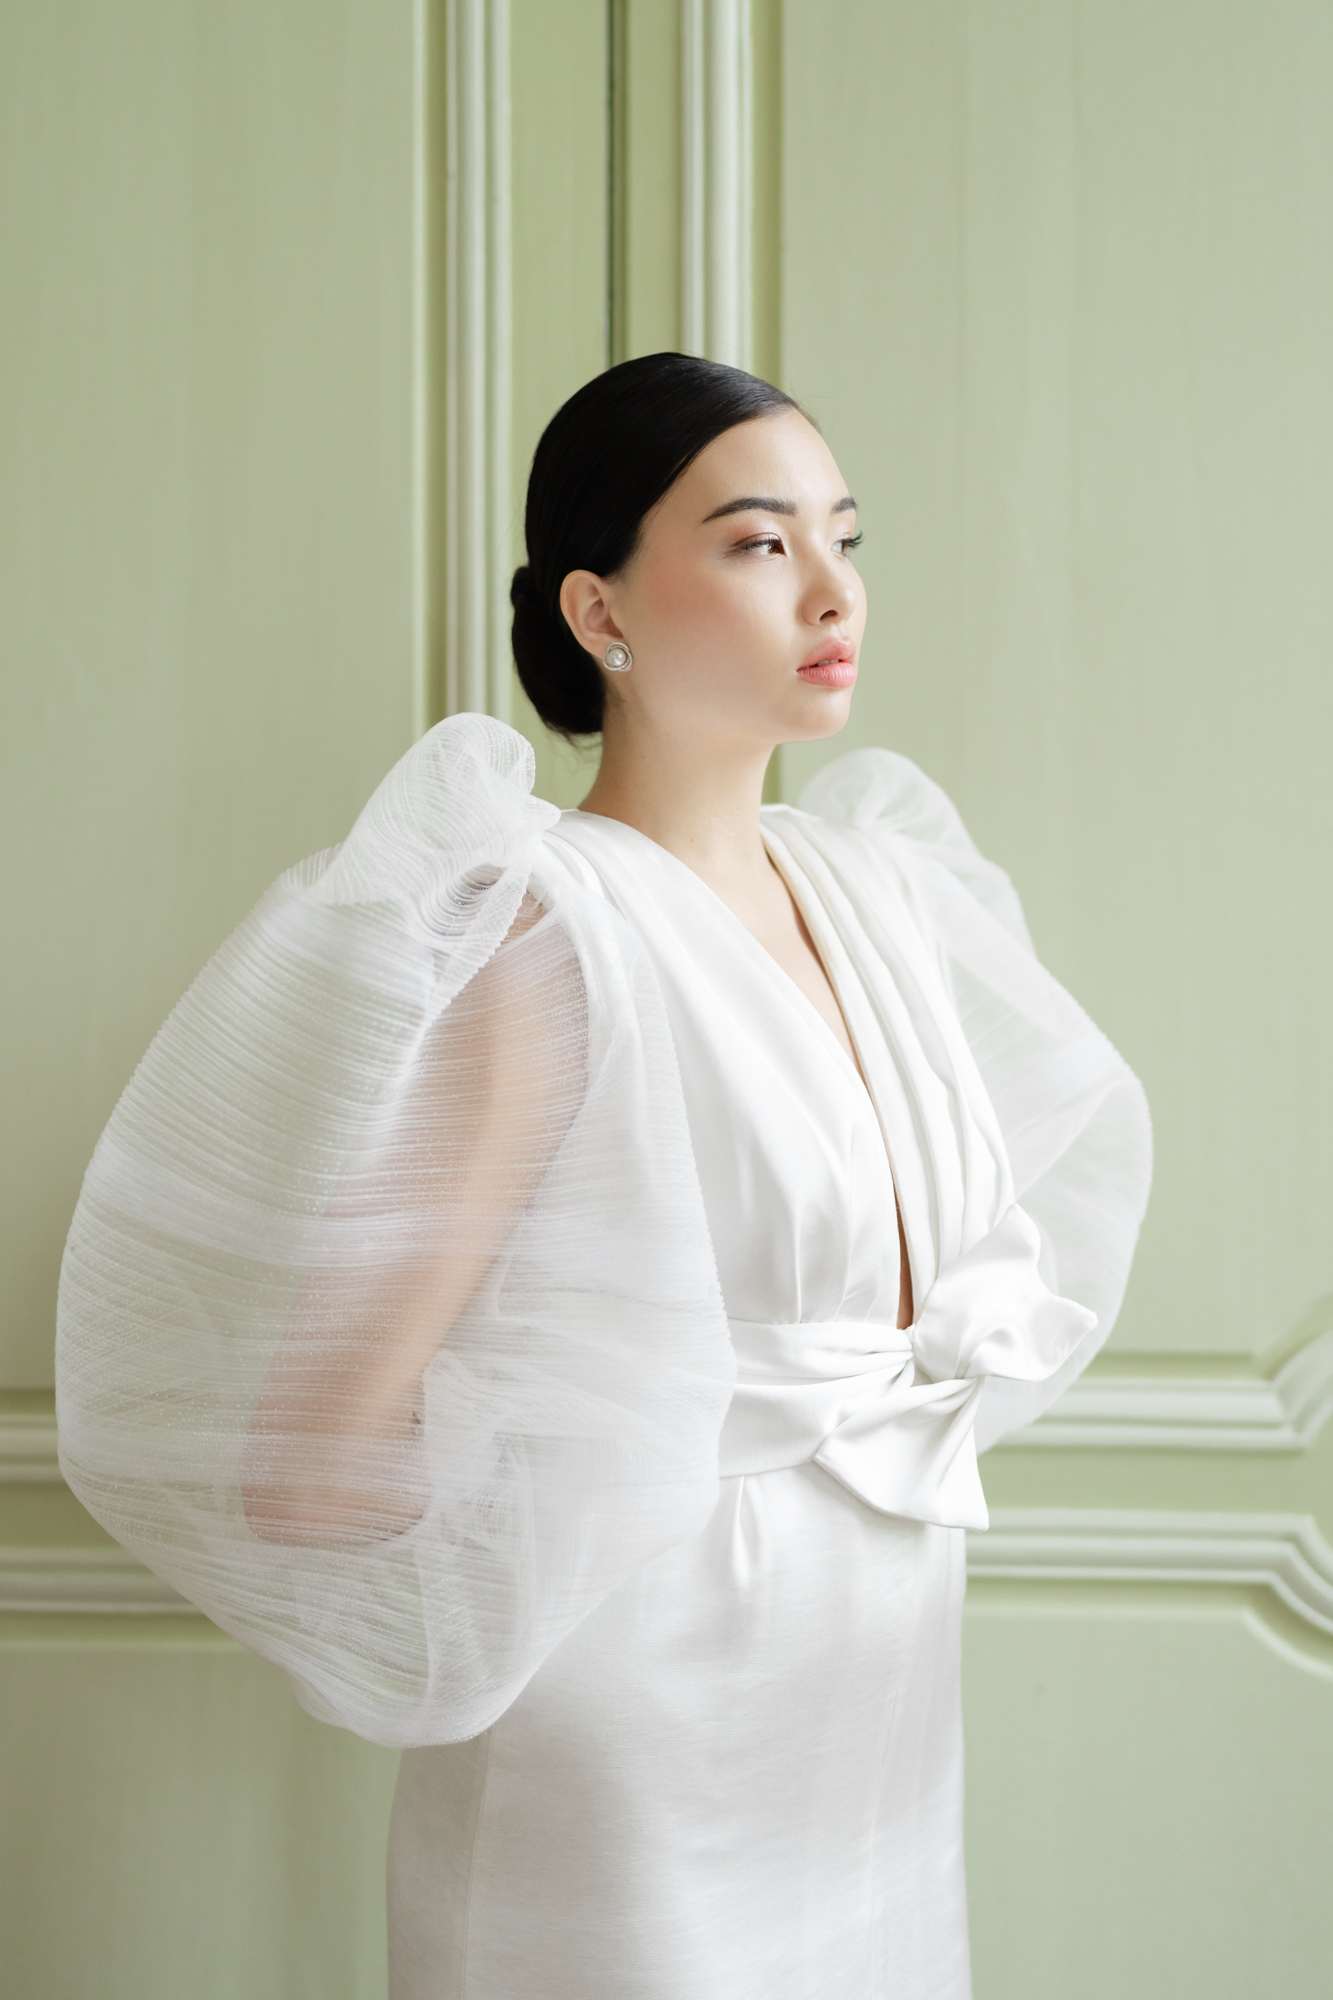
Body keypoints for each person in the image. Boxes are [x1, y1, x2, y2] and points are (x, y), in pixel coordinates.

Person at [54, 351, 1153, 1999]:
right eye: (757, 544)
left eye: (844, 539)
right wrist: (587, 1497)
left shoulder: (887, 892)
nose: (833, 591)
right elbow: (309, 1462)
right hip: (641, 1734)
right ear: (597, 611)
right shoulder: (549, 943)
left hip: (876, 1687)